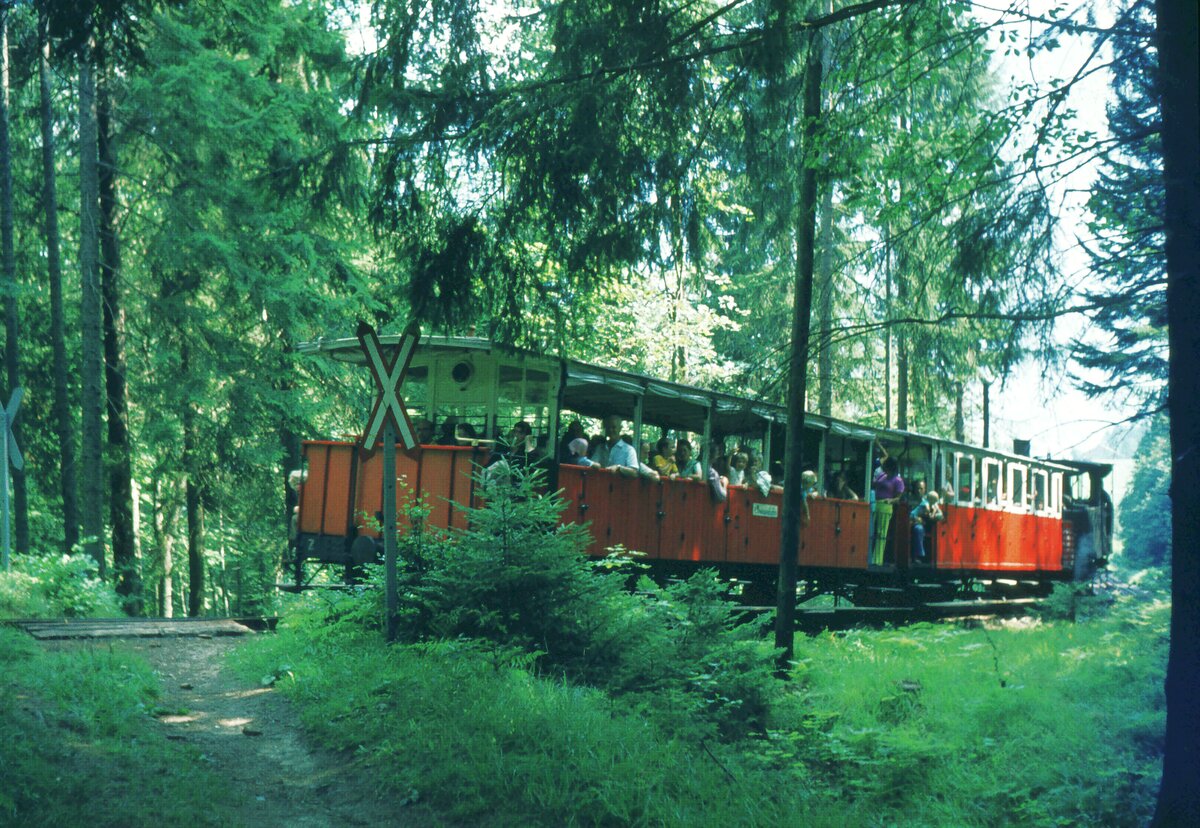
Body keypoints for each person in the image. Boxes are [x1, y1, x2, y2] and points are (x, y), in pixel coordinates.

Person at [870, 443, 905, 566]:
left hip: (886, 506)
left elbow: (898, 498)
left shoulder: (897, 480)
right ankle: (869, 557)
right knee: (871, 531)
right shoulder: (882, 475)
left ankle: (877, 560)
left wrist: (890, 500)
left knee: (881, 534)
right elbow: (874, 484)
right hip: (875, 504)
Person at [909, 491, 943, 563]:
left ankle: (928, 557)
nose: (935, 502)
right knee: (918, 529)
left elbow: (940, 515)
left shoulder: (934, 504)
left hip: (927, 523)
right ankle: (918, 555)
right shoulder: (925, 502)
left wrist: (934, 515)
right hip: (914, 519)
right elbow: (926, 509)